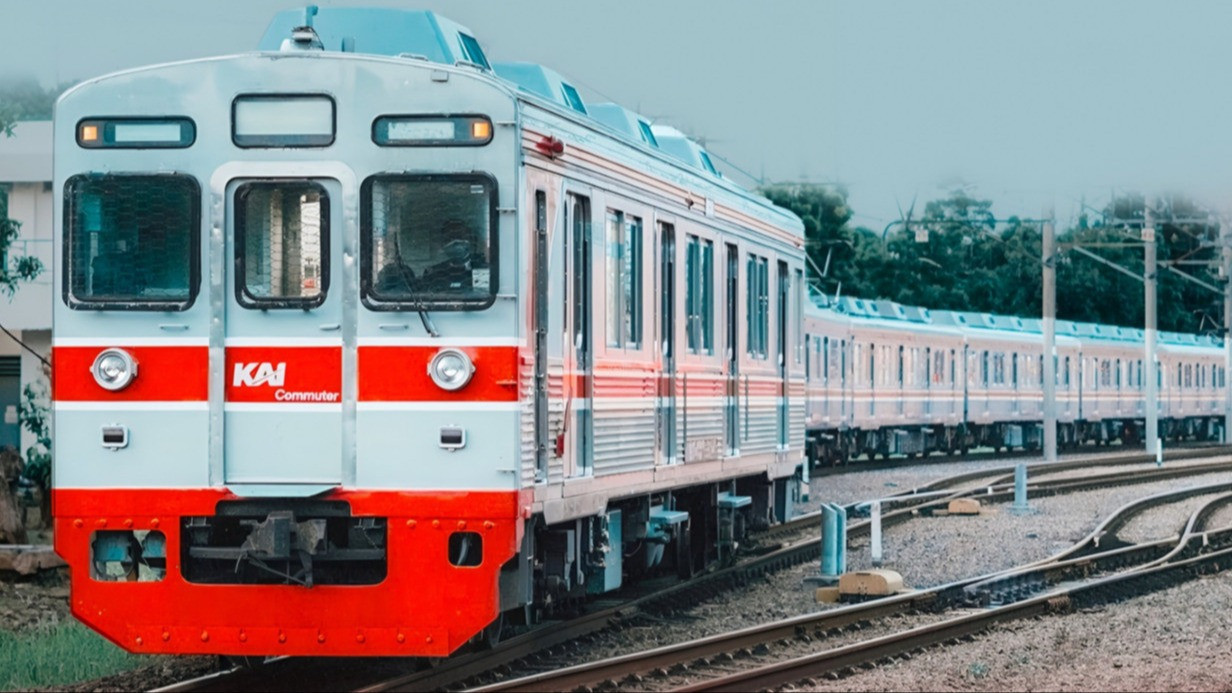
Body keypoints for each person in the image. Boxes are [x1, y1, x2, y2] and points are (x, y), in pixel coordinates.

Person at [422, 219, 487, 292]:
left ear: (470, 239)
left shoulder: (484, 270)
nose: (456, 242)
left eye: (460, 237)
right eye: (450, 238)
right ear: (443, 243)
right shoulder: (433, 273)